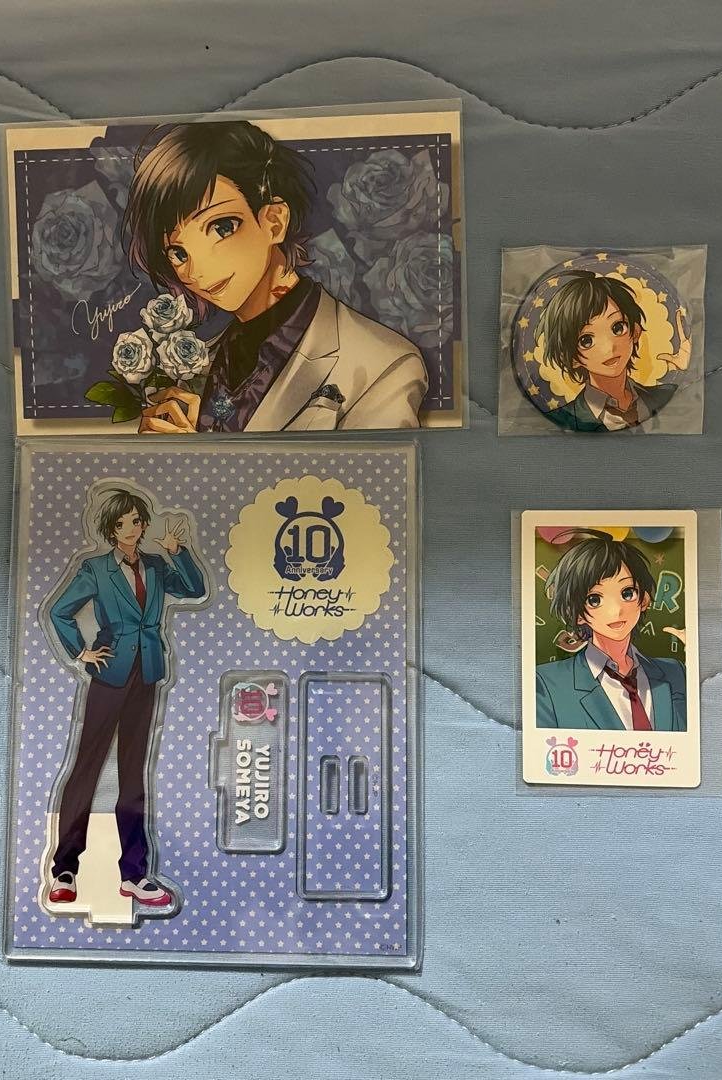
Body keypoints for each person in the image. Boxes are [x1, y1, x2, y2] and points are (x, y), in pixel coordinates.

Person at [123, 120, 428, 432]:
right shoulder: (195, 366)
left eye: (222, 227)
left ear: (274, 221)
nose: (198, 270)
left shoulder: (383, 364)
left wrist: (202, 456)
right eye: (178, 253)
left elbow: (371, 465)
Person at [45, 487, 205, 913]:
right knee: (86, 768)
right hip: (110, 673)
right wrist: (81, 652)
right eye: (122, 523)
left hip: (147, 672)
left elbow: (194, 589)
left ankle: (134, 874)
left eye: (136, 521)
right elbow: (59, 611)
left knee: (133, 776)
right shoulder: (96, 568)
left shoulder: (155, 566)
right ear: (110, 529)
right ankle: (65, 869)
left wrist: (178, 552)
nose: (131, 528)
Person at [535, 530, 687, 731]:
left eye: (627, 593)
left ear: (644, 600)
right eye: (594, 599)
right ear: (577, 613)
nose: (616, 610)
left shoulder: (675, 672)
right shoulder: (546, 683)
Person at [536, 271, 685, 432]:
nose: (609, 348)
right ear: (572, 358)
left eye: (617, 328)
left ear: (635, 332)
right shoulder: (561, 419)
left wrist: (689, 368)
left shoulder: (667, 395)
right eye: (586, 340)